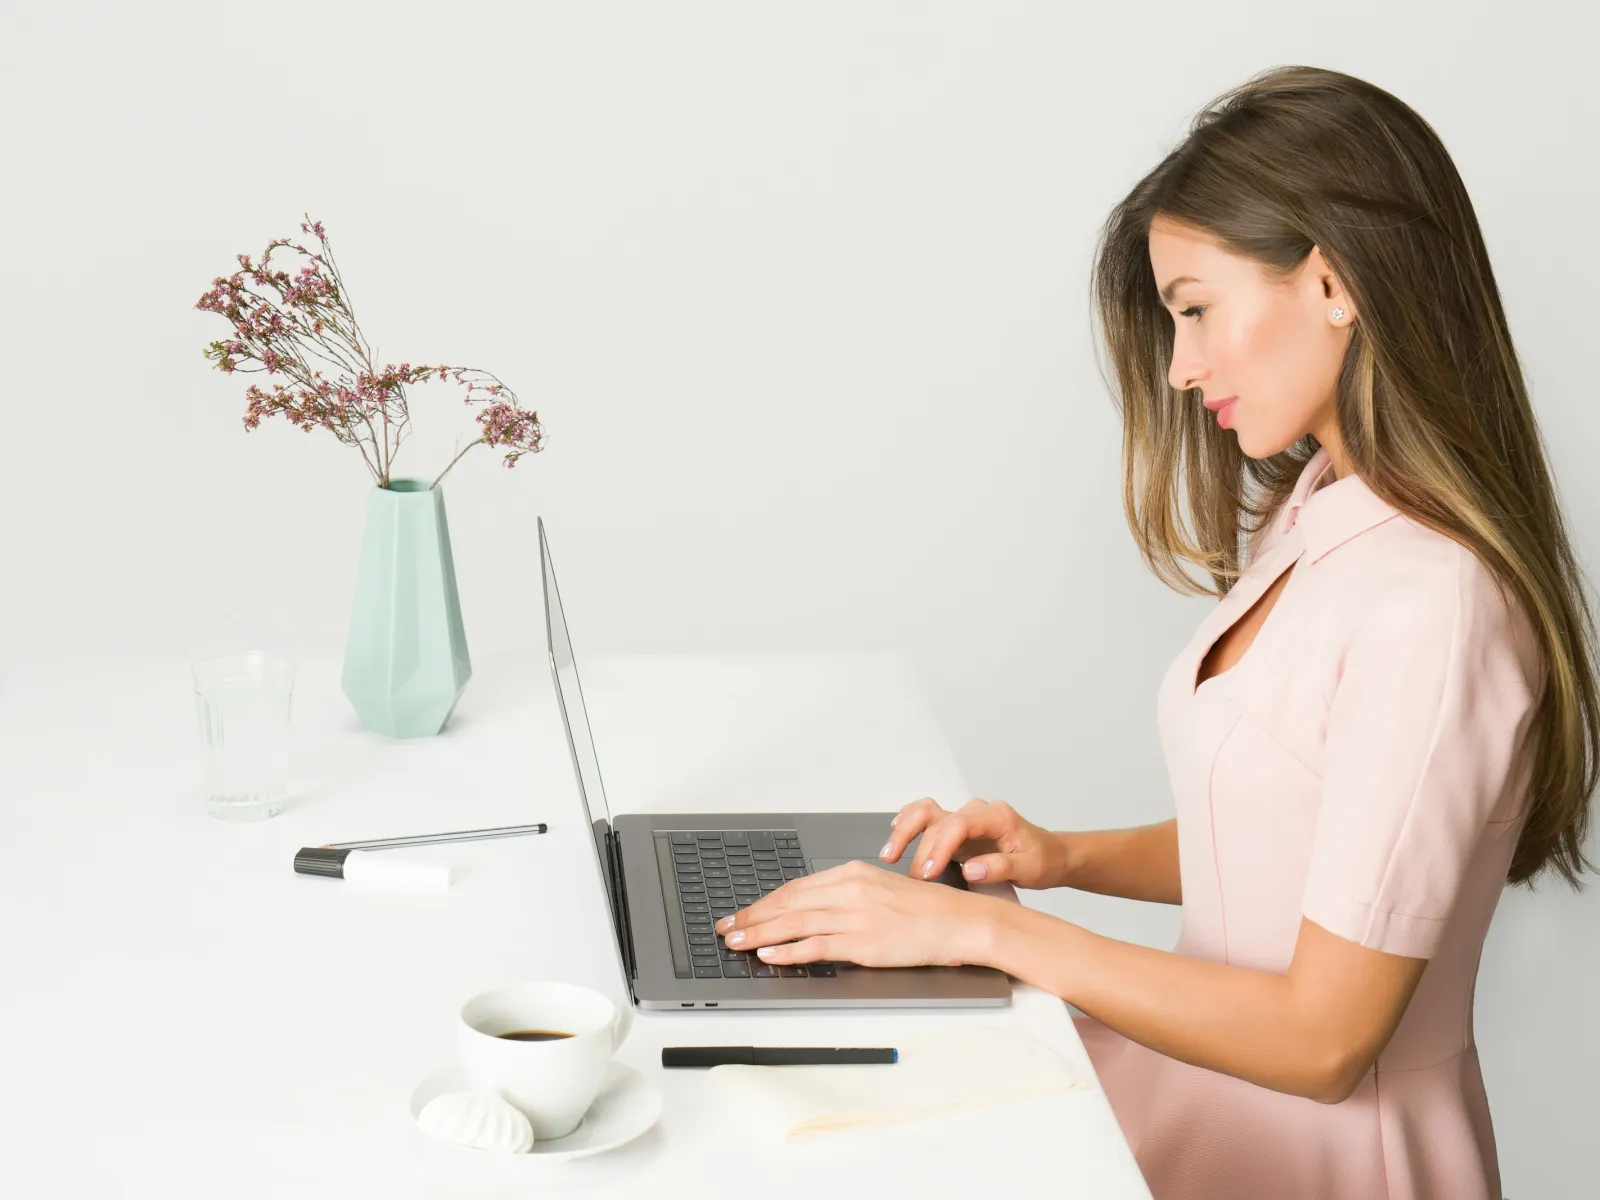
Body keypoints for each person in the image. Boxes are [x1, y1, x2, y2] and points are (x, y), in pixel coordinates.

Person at [713, 65, 1598, 1199]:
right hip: (1201, 1103)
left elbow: (1324, 1042)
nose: (1180, 369)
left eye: (1193, 309)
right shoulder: (1318, 511)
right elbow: (1295, 842)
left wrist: (991, 936)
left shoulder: (1434, 606)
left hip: (1329, 1158)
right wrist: (1056, 856)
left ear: (1331, 282)